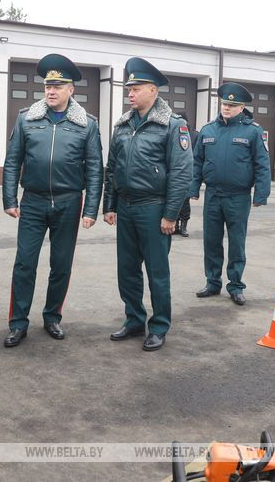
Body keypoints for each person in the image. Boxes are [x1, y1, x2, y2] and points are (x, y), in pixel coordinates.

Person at [2, 53, 103, 347]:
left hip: (68, 202)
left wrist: (91, 209)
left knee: (61, 265)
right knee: (24, 263)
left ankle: (52, 317)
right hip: (33, 201)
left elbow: (95, 168)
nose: (51, 91)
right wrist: (10, 198)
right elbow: (12, 160)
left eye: (58, 86)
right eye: (48, 86)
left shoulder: (87, 124)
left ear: (71, 89)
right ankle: (18, 323)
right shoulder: (27, 118)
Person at [102, 58, 192, 352]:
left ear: (153, 90)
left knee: (157, 272)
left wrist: (171, 215)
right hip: (126, 207)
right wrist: (109, 205)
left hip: (154, 209)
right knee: (127, 270)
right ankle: (134, 320)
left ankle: (159, 326)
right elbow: (112, 168)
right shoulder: (123, 125)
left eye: (136, 89)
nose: (130, 94)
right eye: (129, 89)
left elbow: (181, 173)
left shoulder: (172, 125)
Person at [190, 82, 271, 306]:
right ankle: (212, 282)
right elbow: (197, 162)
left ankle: (235, 286)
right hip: (213, 195)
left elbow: (262, 164)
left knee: (236, 242)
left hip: (238, 196)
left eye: (232, 105)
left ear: (242, 107)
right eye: (224, 104)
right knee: (211, 241)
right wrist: (193, 188)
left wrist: (261, 194)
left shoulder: (252, 131)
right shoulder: (208, 130)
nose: (226, 108)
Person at [173, 112, 199, 237]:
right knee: (174, 200)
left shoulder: (195, 135)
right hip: (174, 172)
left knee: (185, 200)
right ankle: (175, 225)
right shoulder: (172, 132)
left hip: (189, 172)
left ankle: (183, 226)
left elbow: (198, 155)